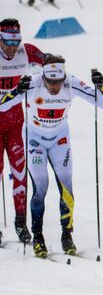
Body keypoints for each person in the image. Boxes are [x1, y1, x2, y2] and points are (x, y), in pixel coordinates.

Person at [0, 54, 103, 258]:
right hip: (35, 140)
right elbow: (2, 105)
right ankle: (38, 237)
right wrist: (16, 91)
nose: (55, 86)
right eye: (50, 81)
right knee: (40, 189)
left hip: (60, 139)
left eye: (58, 81)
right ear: (43, 76)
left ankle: (67, 236)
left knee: (67, 189)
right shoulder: (32, 84)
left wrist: (99, 85)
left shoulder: (71, 82)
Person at [0, 18, 45, 244]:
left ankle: (20, 222)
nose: (11, 46)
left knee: (19, 172)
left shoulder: (25, 52)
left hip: (16, 124)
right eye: (7, 40)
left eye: (16, 41)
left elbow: (51, 64)